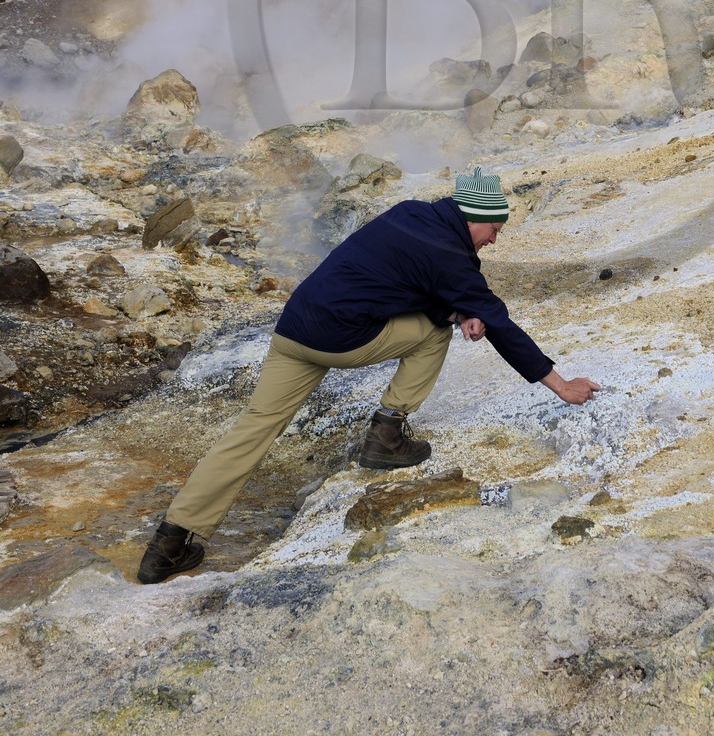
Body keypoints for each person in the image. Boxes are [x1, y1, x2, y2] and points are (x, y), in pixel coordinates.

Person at [136, 167, 600, 583]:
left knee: (251, 431)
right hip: (340, 339)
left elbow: (400, 276)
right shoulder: (450, 254)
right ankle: (387, 435)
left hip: (294, 329)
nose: (494, 240)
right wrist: (558, 384)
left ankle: (169, 545)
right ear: (472, 217)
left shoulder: (410, 213)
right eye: (494, 229)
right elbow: (497, 321)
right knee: (433, 333)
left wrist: (459, 307)